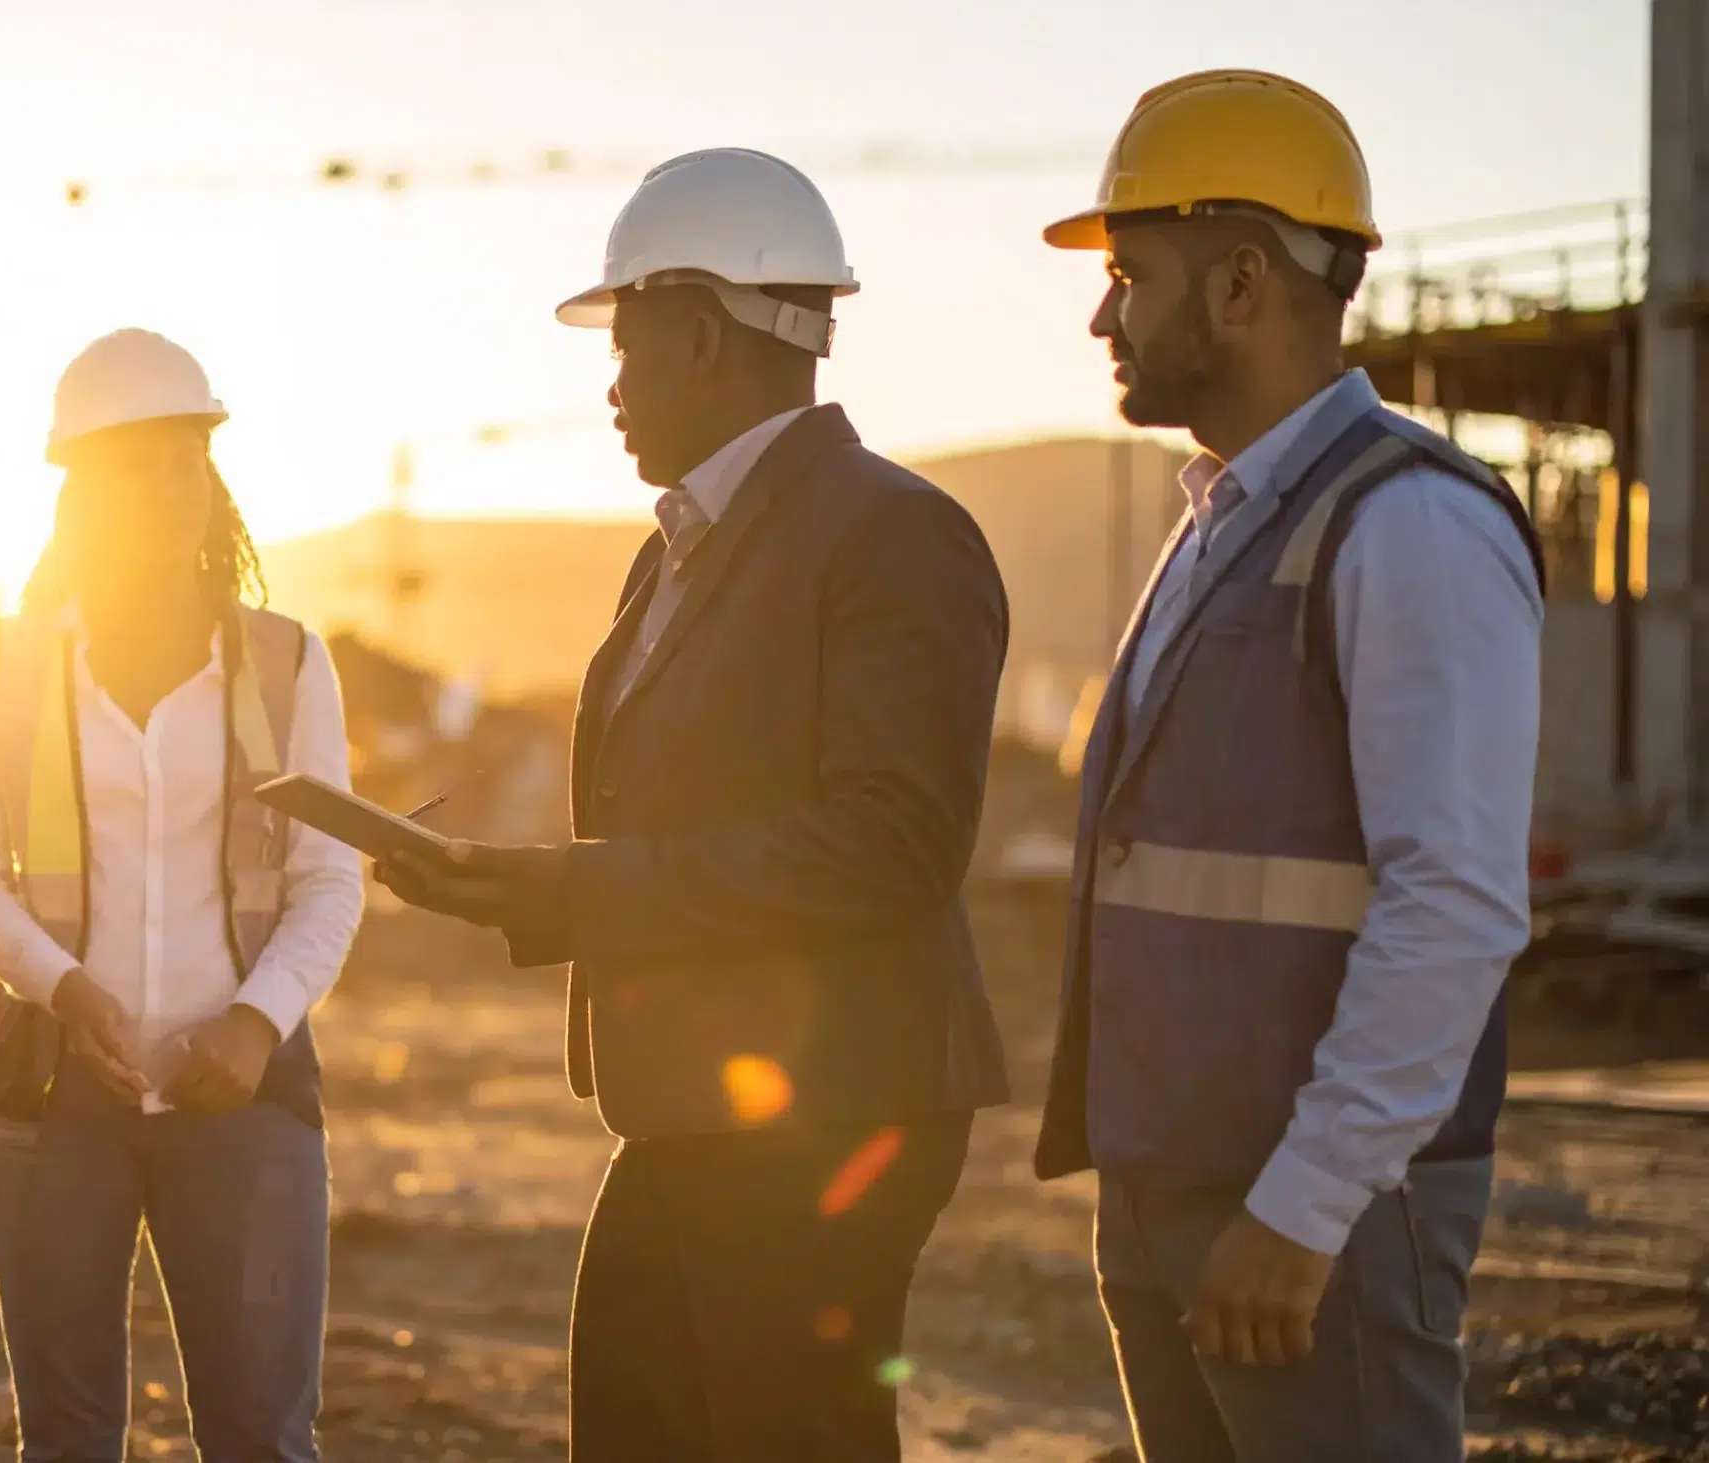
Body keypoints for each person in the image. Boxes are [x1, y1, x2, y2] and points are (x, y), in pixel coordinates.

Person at [376, 148, 1012, 1462]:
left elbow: (894, 843)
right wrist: (525, 886)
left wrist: (574, 887)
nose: (609, 386)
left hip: (828, 1114)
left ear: (708, 335)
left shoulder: (893, 532)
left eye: (630, 343)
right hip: (691, 1108)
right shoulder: (670, 554)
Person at [1034, 71, 1545, 1461]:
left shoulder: (1411, 528)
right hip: (1181, 1190)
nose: (1102, 314)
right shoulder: (1223, 520)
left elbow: (1454, 904)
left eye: (1131, 273)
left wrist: (1305, 1205)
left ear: (1243, 281)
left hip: (1315, 1218)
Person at [0, 328, 364, 1463]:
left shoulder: (284, 663)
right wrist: (66, 990)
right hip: (50, 1106)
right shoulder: (4, 668)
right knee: (68, 1442)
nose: (172, 486)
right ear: (80, 491)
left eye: (188, 456)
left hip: (246, 1104)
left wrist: (251, 1021)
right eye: (137, 463)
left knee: (263, 1438)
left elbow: (329, 875)